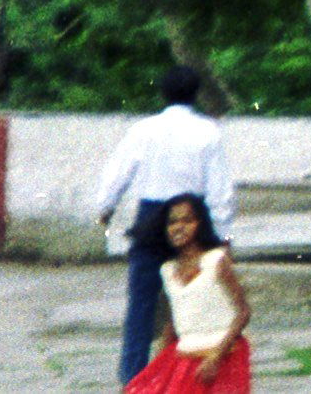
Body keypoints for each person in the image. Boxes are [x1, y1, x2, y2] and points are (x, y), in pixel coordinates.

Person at [92, 67, 236, 386]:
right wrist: (223, 235)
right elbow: (220, 190)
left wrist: (105, 206)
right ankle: (186, 375)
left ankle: (133, 377)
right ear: (195, 93)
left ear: (163, 93)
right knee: (195, 301)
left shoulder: (144, 129)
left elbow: (119, 170)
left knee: (142, 300)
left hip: (152, 217)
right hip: (193, 217)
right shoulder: (208, 132)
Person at [120, 194, 249, 394]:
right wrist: (159, 370)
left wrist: (216, 356)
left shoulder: (216, 261)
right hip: (185, 355)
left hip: (225, 356)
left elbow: (243, 312)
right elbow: (173, 322)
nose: (179, 227)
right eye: (172, 222)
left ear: (200, 224)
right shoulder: (168, 270)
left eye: (187, 220)